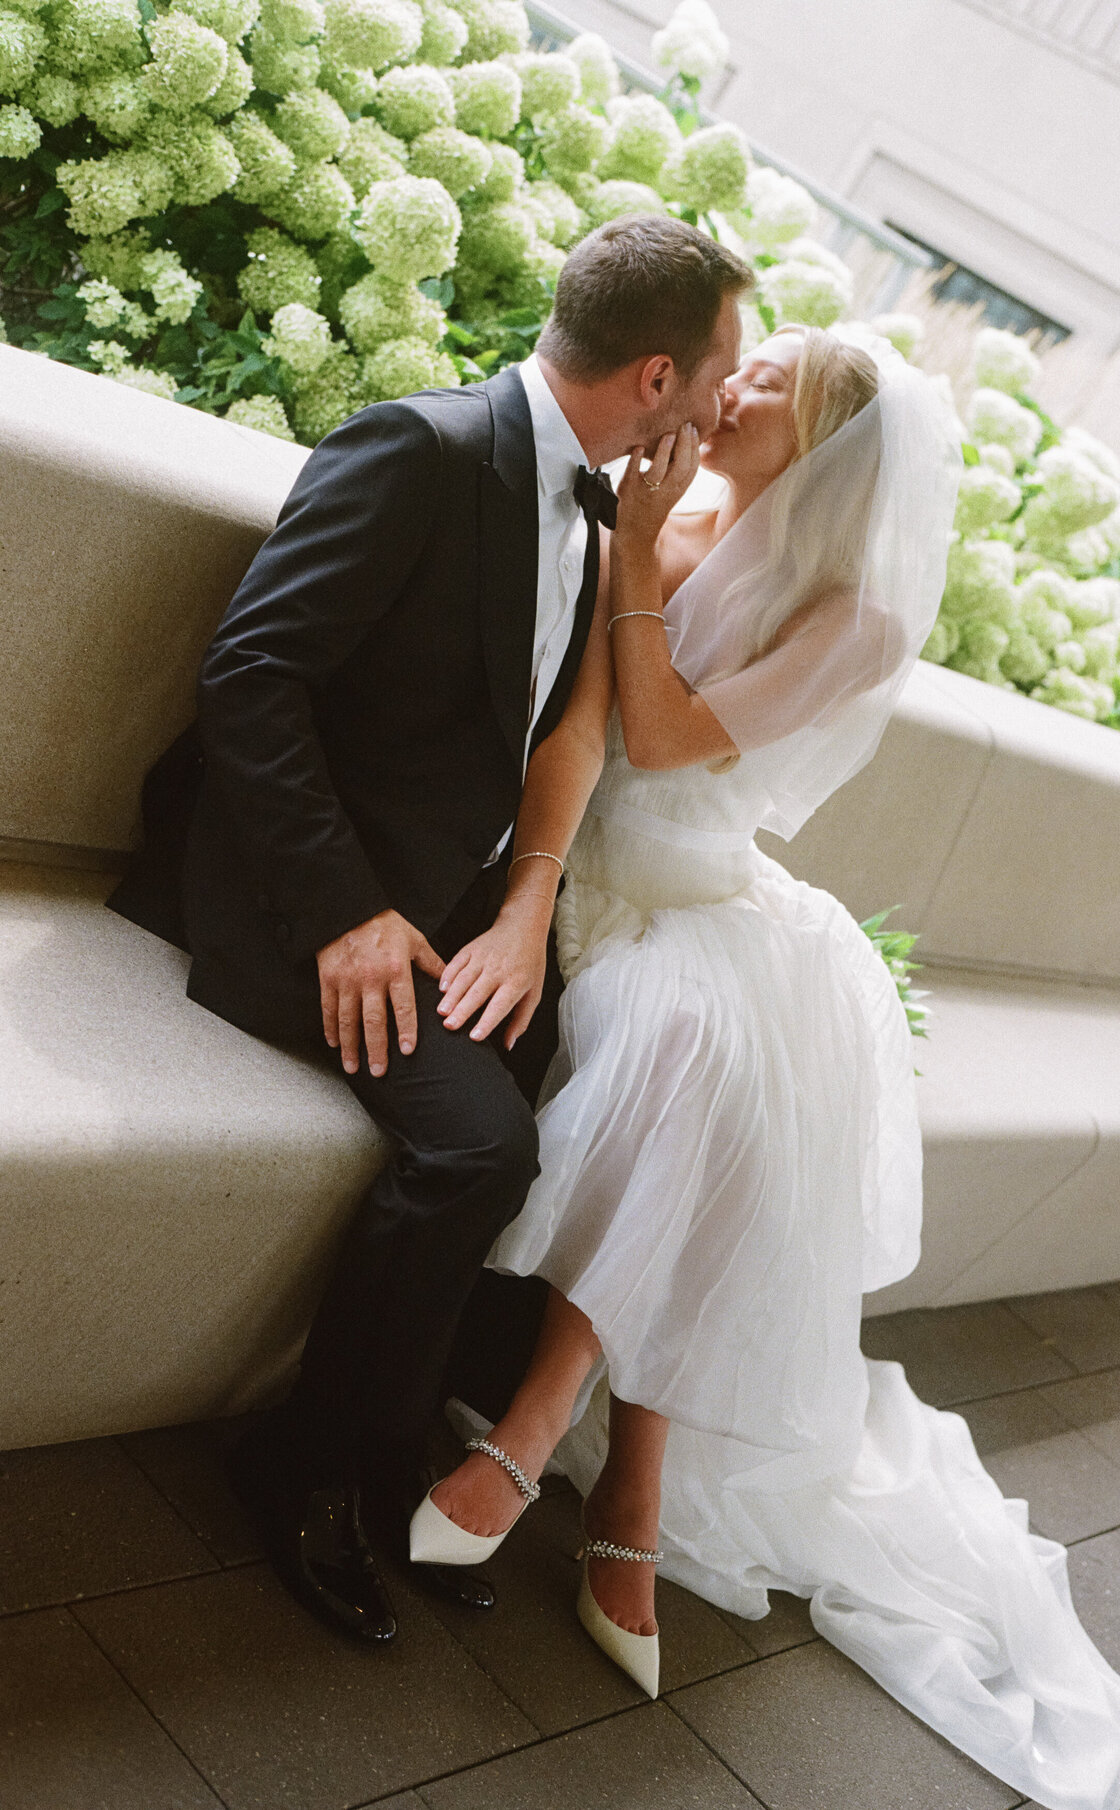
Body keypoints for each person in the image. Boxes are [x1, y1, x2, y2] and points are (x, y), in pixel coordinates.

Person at [403, 323, 1120, 1810]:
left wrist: (635, 556)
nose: (728, 389)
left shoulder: (856, 616)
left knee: (734, 1061)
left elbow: (673, 735)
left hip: (703, 882)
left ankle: (556, 1428)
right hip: (609, 882)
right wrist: (639, 541)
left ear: (822, 453)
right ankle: (626, 1487)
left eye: (769, 393)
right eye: (749, 370)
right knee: (708, 1054)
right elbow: (579, 717)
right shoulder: (665, 504)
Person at [106, 216, 753, 1644]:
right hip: (291, 888)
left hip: (434, 892)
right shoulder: (423, 449)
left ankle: (430, 1440)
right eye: (718, 376)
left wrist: (520, 914)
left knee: (610, 1081)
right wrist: (342, 914)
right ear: (655, 377)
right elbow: (253, 680)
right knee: (483, 1141)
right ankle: (302, 1457)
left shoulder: (593, 505)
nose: (721, 407)